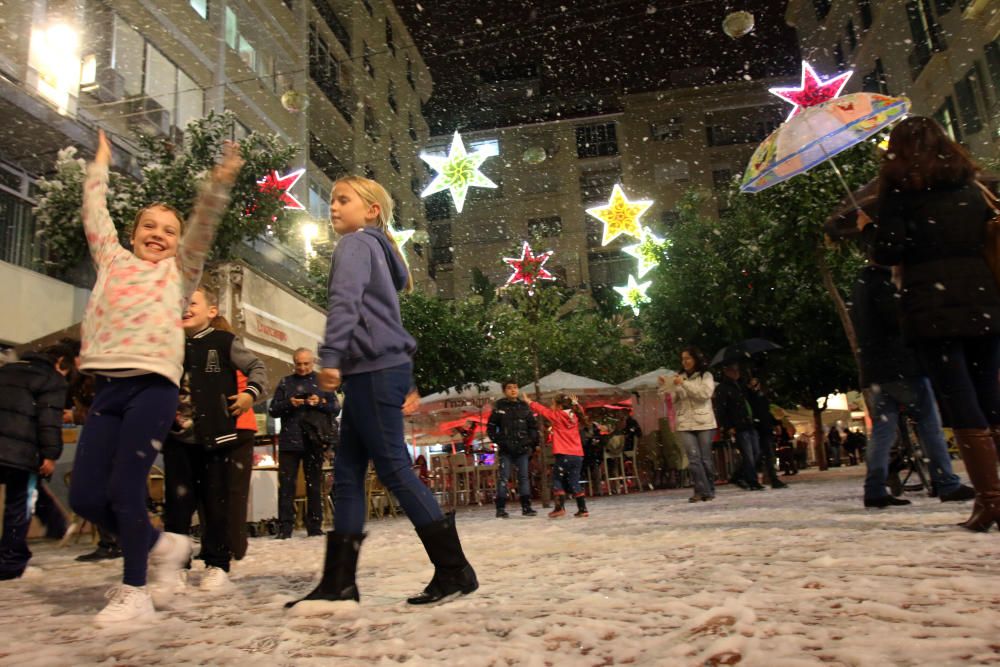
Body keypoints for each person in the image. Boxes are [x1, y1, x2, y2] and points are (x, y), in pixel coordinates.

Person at [68, 129, 242, 625]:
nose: (159, 234)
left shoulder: (178, 273)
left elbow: (204, 226)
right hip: (108, 389)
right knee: (85, 495)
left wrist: (219, 183)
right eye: (149, 225)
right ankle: (159, 544)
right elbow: (94, 212)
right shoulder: (112, 261)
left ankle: (135, 591)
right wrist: (98, 164)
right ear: (132, 232)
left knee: (126, 489)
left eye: (169, 229)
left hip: (153, 389)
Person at [286, 175, 476, 610]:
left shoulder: (355, 244)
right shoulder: (379, 249)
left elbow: (345, 302)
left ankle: (454, 570)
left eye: (343, 200)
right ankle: (339, 582)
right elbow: (381, 318)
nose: (332, 207)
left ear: (372, 209)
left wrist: (330, 356)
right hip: (374, 371)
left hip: (370, 371)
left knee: (392, 468)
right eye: (332, 200)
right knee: (349, 475)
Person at [868, 115, 1000, 530]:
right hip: (982, 302)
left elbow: (887, 251)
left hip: (933, 308)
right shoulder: (970, 186)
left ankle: (991, 501)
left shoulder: (901, 191)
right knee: (991, 398)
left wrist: (872, 229)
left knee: (961, 402)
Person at [849, 233, 975, 508]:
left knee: (883, 432)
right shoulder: (884, 284)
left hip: (877, 368)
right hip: (902, 364)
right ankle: (945, 482)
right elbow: (896, 320)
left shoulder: (861, 284)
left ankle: (875, 488)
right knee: (929, 423)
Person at [160, 287, 268, 592]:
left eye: (192, 302)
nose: (185, 307)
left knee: (216, 503)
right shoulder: (168, 343)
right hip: (177, 439)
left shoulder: (224, 342)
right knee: (177, 506)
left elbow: (257, 367)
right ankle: (177, 565)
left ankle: (217, 563)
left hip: (218, 438)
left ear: (211, 311)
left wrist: (250, 394)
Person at [0, 344, 73, 580]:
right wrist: (50, 454)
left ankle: (56, 525)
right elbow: (48, 421)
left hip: (8, 447)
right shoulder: (51, 379)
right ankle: (11, 564)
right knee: (20, 504)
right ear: (61, 361)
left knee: (24, 497)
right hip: (21, 451)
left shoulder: (7, 370)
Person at [268, 348, 339, 539]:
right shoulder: (286, 382)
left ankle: (314, 526)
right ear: (294, 362)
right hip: (289, 440)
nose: (302, 367)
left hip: (314, 440)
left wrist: (320, 402)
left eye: (306, 363)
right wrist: (290, 403)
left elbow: (336, 408)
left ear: (313, 361)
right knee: (286, 485)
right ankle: (285, 528)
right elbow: (273, 410)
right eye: (298, 363)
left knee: (314, 484)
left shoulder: (322, 381)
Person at [659, 347, 719, 502]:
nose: (684, 362)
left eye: (688, 358)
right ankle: (700, 491)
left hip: (704, 422)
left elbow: (704, 394)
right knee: (693, 459)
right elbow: (672, 400)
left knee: (705, 459)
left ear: (696, 359)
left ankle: (709, 489)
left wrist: (684, 383)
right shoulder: (679, 377)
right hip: (685, 422)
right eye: (683, 359)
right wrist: (665, 387)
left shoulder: (706, 376)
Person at [525, 393, 589, 518]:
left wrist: (530, 402)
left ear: (559, 406)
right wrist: (577, 404)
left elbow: (542, 410)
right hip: (577, 455)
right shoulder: (575, 416)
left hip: (564, 454)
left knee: (556, 479)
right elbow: (580, 411)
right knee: (574, 481)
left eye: (553, 403)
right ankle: (582, 508)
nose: (551, 406)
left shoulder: (557, 416)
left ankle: (559, 507)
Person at [486, 380, 540, 518]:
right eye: (509, 388)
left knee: (524, 478)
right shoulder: (499, 407)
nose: (513, 390)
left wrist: (530, 442)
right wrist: (500, 441)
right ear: (504, 391)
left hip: (522, 448)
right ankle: (500, 508)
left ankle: (526, 507)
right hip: (506, 449)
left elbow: (533, 427)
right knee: (503, 478)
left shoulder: (524, 407)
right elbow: (491, 427)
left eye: (515, 387)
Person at [714, 362, 764, 491]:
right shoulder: (723, 389)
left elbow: (751, 400)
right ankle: (752, 480)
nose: (736, 373)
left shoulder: (741, 386)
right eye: (733, 370)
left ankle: (739, 475)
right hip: (738, 425)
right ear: (726, 371)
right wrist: (728, 426)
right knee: (748, 454)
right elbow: (721, 410)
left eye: (737, 370)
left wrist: (754, 389)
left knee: (756, 452)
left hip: (749, 422)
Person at [746, 377, 788, 489]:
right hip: (756, 428)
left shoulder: (762, 397)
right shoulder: (748, 397)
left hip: (765, 428)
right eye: (752, 384)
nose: (754, 386)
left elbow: (767, 412)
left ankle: (773, 479)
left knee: (768, 454)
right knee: (757, 454)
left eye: (756, 384)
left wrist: (776, 423)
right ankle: (749, 478)